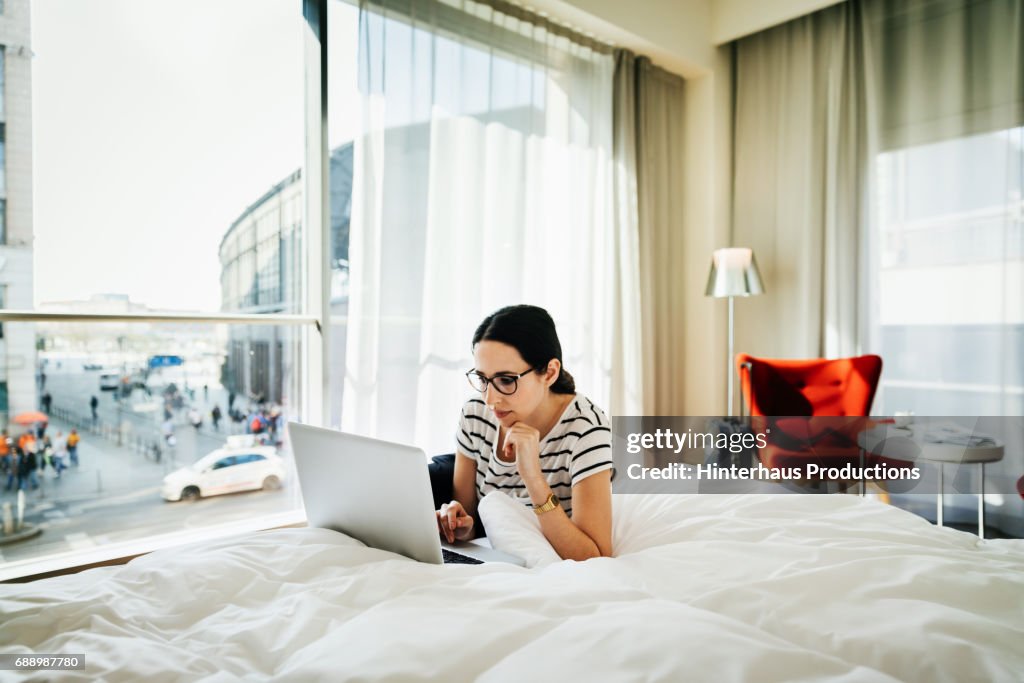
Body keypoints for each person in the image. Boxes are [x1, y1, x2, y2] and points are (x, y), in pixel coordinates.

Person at [436, 305, 614, 561]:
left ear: (550, 373)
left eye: (506, 380)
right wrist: (459, 526)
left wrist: (532, 476)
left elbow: (595, 556)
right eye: (483, 379)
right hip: (497, 562)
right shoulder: (475, 414)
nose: (490, 399)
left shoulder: (587, 429)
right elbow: (472, 522)